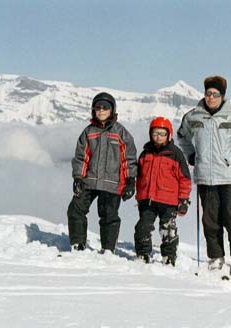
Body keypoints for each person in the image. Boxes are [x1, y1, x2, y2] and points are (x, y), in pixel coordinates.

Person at [177, 75, 231, 275]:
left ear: (222, 96)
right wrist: (191, 155)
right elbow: (182, 136)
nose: (211, 97)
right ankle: (216, 257)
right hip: (206, 177)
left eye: (215, 94)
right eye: (208, 93)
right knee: (210, 221)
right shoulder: (193, 117)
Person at [67, 92, 137, 253]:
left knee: (108, 216)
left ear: (112, 110)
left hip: (112, 183)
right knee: (75, 209)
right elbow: (81, 157)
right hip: (89, 180)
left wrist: (130, 180)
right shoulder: (89, 132)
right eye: (98, 107)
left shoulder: (121, 133)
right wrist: (78, 177)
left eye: (105, 107)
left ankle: (108, 249)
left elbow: (129, 159)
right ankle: (78, 244)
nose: (101, 110)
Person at [134, 117, 192, 266]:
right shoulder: (145, 153)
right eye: (155, 133)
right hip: (148, 199)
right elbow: (139, 176)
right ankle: (142, 254)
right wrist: (139, 196)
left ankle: (169, 256)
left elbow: (184, 178)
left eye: (162, 133)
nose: (158, 137)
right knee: (143, 227)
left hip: (169, 201)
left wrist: (184, 199)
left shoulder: (175, 154)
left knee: (168, 229)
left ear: (169, 135)